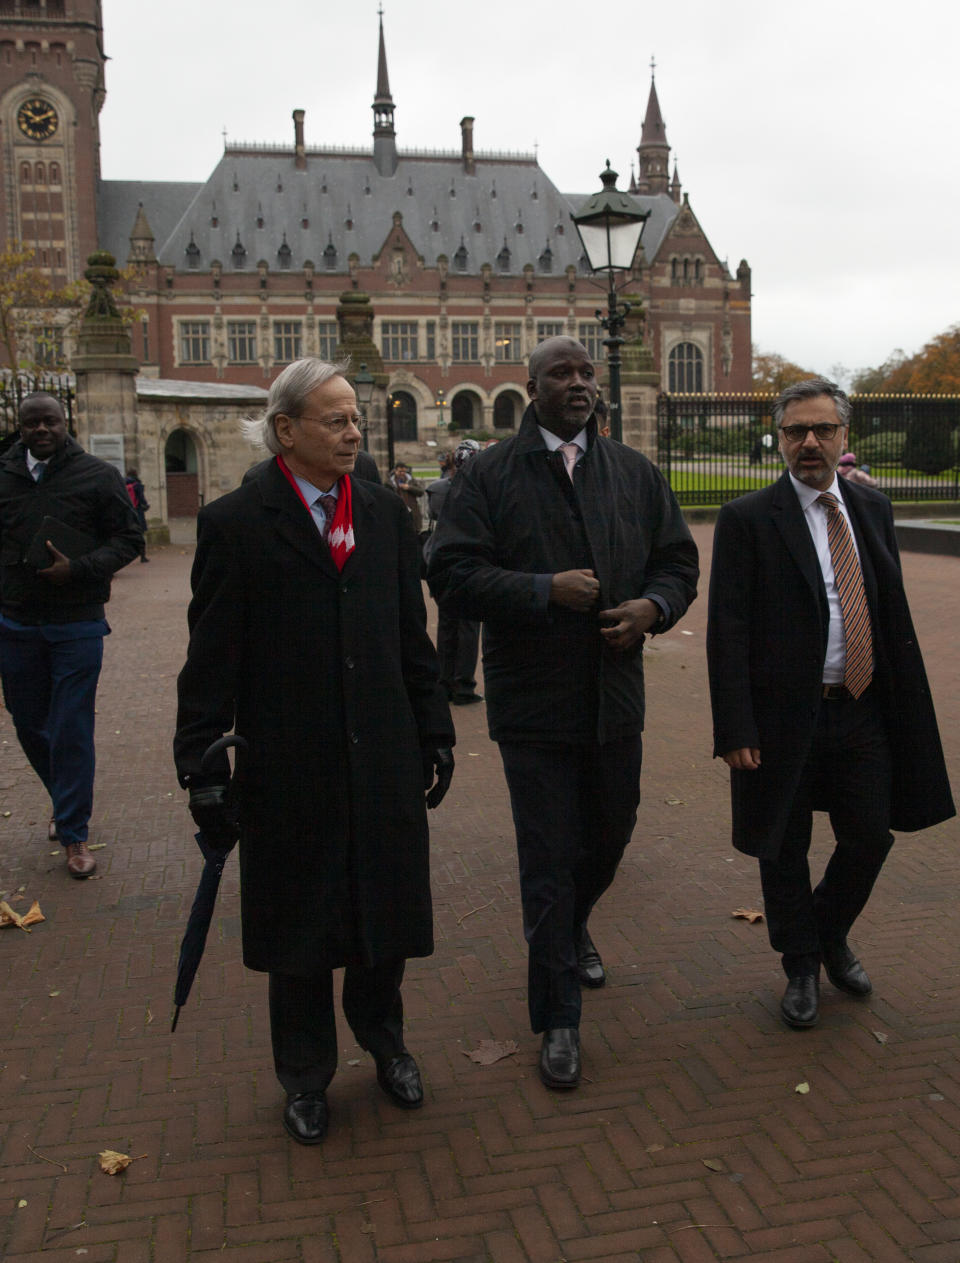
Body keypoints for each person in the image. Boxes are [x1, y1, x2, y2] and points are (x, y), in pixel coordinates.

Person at [174, 357, 455, 1145]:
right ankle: (305, 1073)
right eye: (335, 419)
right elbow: (210, 659)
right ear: (286, 429)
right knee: (299, 928)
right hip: (288, 764)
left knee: (384, 914)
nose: (354, 430)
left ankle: (385, 1038)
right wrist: (201, 766)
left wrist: (434, 728)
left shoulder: (384, 512)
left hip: (383, 754)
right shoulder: (235, 523)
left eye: (355, 417)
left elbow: (411, 634)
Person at [428, 336, 698, 1089]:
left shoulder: (636, 472)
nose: (578, 382)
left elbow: (679, 561)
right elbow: (448, 571)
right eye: (561, 373)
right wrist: (542, 589)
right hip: (534, 703)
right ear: (532, 386)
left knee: (611, 832)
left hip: (615, 699)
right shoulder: (488, 474)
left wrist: (653, 605)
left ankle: (574, 924)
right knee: (547, 858)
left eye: (586, 372)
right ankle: (559, 1018)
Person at [707, 376, 954, 1029]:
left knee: (870, 835)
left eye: (822, 430)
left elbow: (885, 602)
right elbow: (726, 630)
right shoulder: (747, 519)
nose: (809, 442)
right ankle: (800, 966)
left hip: (861, 706)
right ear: (780, 437)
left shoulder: (871, 508)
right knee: (782, 843)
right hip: (782, 716)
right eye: (796, 431)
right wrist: (734, 724)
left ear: (845, 436)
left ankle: (824, 930)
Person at [0, 393, 142, 877]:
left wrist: (79, 569)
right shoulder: (5, 474)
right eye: (31, 423)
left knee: (71, 725)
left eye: (50, 421)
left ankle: (74, 833)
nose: (41, 430)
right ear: (19, 427)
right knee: (27, 722)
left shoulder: (97, 475)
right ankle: (64, 801)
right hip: (15, 622)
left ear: (67, 424)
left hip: (76, 622)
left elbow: (129, 539)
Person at [425, 440, 482, 705]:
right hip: (471, 562)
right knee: (468, 627)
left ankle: (444, 681)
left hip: (441, 561)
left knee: (447, 624)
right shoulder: (479, 491)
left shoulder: (437, 490)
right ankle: (464, 686)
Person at [387, 462, 427, 535]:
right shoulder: (389, 483)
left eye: (404, 471)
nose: (402, 473)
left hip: (413, 513)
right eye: (400, 471)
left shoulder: (411, 480)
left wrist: (409, 488)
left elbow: (421, 492)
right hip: (396, 513)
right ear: (395, 471)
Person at [124, 467, 150, 562]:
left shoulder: (122, 483)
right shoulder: (137, 485)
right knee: (140, 533)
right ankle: (143, 556)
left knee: (127, 533)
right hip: (137, 511)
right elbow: (141, 499)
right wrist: (146, 505)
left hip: (127, 511)